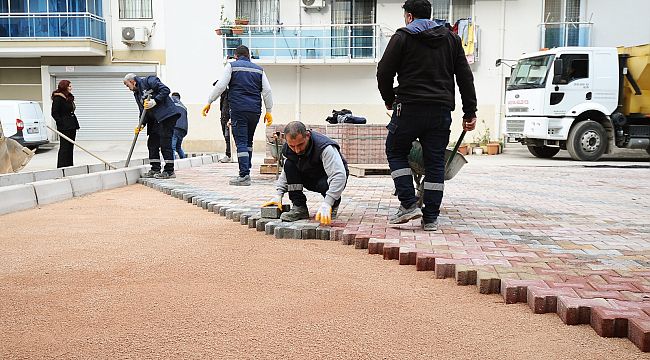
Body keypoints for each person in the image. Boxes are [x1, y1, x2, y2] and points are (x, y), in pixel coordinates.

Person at [376, 0, 477, 231]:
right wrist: (470, 111)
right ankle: (430, 218)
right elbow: (464, 77)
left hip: (409, 108)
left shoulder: (402, 37)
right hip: (440, 112)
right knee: (434, 163)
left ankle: (408, 204)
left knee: (395, 150)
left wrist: (389, 100)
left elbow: (383, 72)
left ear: (409, 17)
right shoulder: (451, 39)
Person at [202, 45, 274, 186]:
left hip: (238, 110)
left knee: (240, 142)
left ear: (236, 56)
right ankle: (246, 170)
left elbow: (221, 85)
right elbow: (267, 91)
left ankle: (244, 175)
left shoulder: (232, 66)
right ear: (249, 56)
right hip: (255, 111)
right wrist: (269, 111)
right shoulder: (259, 70)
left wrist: (209, 101)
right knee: (248, 142)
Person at [262, 121, 349, 225]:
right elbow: (287, 172)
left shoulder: (324, 147)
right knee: (289, 164)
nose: (297, 150)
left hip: (326, 178)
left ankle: (334, 203)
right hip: (309, 175)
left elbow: (339, 176)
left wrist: (328, 203)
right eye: (292, 146)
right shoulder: (288, 149)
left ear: (307, 135)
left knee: (324, 184)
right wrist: (278, 195)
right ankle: (299, 207)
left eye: (300, 144)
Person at [124, 73, 181, 179]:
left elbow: (165, 90)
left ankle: (169, 171)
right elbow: (143, 111)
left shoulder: (149, 80)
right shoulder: (137, 94)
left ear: (133, 81)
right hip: (154, 120)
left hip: (166, 116)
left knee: (165, 142)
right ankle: (155, 169)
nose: (128, 88)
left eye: (128, 85)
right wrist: (141, 124)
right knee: (152, 143)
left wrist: (155, 101)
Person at [51, 79, 80, 168]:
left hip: (72, 125)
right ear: (64, 87)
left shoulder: (69, 97)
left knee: (70, 147)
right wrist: (61, 123)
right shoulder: (58, 98)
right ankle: (62, 166)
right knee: (64, 147)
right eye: (69, 86)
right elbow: (54, 113)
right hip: (64, 127)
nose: (71, 88)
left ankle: (69, 165)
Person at [212, 80, 232, 163]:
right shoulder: (223, 96)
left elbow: (231, 107)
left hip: (228, 120)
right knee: (226, 137)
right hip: (223, 119)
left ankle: (229, 155)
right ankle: (229, 154)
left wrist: (230, 119)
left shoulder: (229, 94)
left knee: (228, 138)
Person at [170, 92, 188, 159]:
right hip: (183, 129)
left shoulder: (171, 101)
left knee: (172, 147)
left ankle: (172, 163)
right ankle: (183, 160)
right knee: (178, 147)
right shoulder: (183, 106)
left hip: (175, 127)